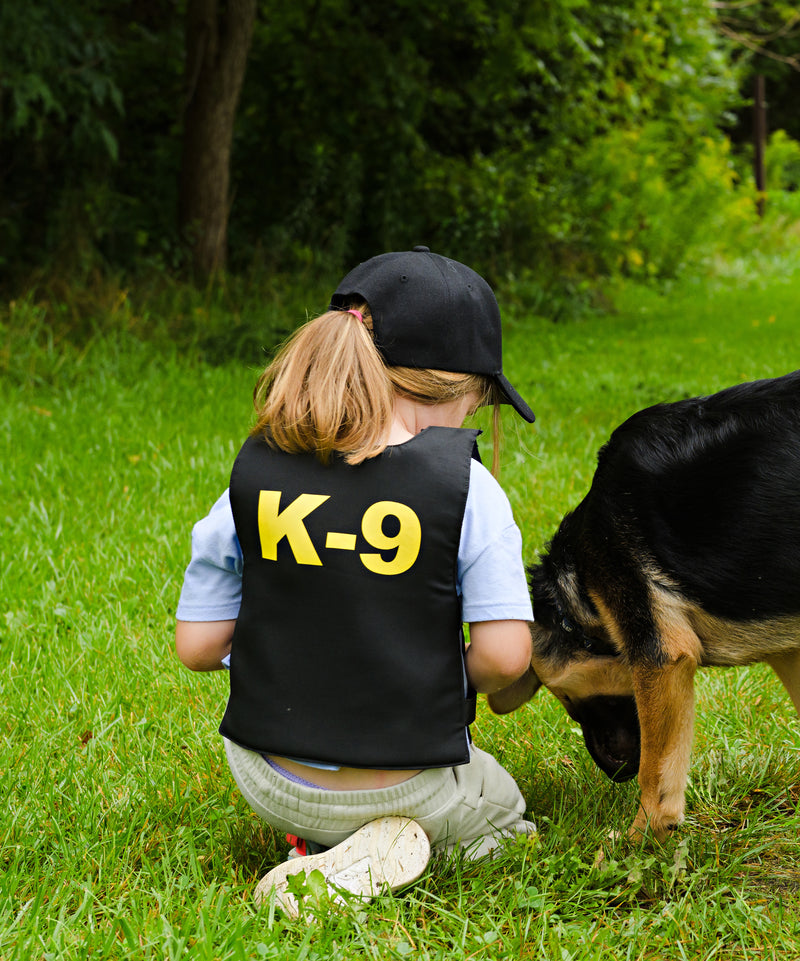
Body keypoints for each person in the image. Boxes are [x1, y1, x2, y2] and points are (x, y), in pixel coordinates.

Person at [174, 247, 539, 917]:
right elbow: (506, 657)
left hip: (265, 775)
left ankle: (312, 842)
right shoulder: (468, 490)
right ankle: (384, 849)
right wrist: (435, 674)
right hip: (411, 782)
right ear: (453, 391)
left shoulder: (254, 474)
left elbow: (197, 647)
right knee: (504, 812)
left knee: (311, 789)